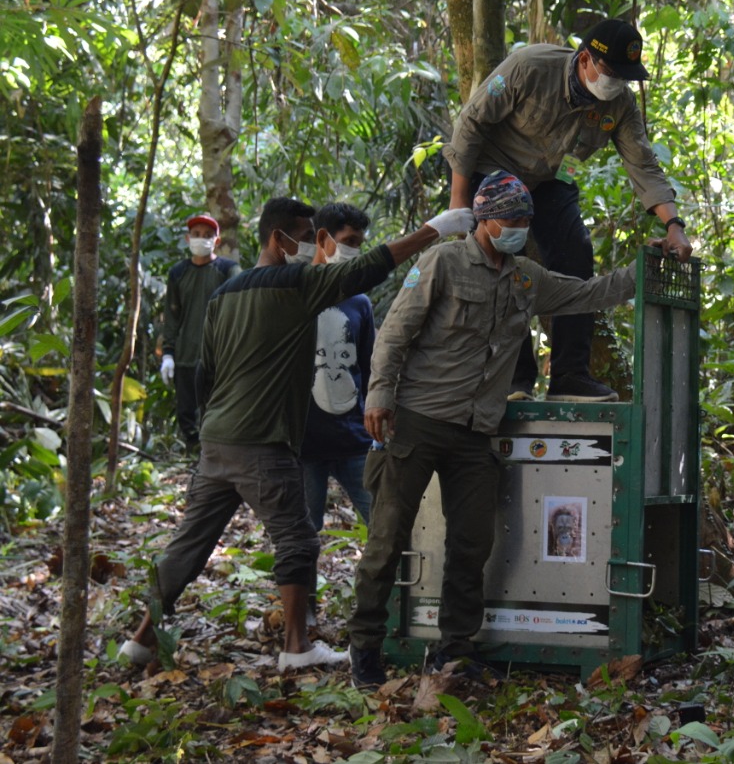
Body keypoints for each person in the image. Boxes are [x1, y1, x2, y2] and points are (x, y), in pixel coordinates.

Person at [121, 197, 474, 673]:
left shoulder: (226, 293)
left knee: (190, 543)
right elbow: (364, 271)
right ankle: (295, 646)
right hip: (263, 442)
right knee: (299, 541)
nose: (313, 246)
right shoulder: (297, 284)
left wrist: (213, 424)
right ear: (278, 240)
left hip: (217, 442)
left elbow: (205, 372)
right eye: (307, 238)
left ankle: (140, 640)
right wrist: (435, 228)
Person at [348, 171, 643, 690]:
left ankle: (453, 651)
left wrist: (641, 272)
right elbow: (396, 330)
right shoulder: (442, 261)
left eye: (525, 221)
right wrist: (378, 394)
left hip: (475, 431)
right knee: (388, 537)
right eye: (510, 220)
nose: (518, 229)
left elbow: (584, 294)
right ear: (484, 220)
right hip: (418, 419)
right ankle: (365, 649)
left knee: (472, 542)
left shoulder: (525, 277)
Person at [444, 18, 693, 403]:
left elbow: (642, 164)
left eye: (623, 77)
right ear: (585, 60)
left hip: (550, 178)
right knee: (496, 261)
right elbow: (471, 123)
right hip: (490, 170)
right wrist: (460, 202)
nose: (615, 83)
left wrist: (674, 224)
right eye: (610, 72)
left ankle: (570, 376)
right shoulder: (529, 66)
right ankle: (514, 380)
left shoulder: (620, 104)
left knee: (575, 253)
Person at [300, 203, 376, 533]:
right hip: (304, 445)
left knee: (386, 525)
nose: (354, 250)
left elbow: (370, 368)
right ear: (323, 238)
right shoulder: (293, 293)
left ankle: (386, 586)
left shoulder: (359, 302)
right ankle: (305, 588)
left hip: (353, 440)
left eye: (359, 243)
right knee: (303, 534)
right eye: (349, 241)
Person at [160, 214, 240, 447]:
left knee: (218, 410)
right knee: (187, 413)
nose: (201, 239)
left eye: (207, 235)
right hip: (186, 355)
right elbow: (172, 317)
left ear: (216, 241)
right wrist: (168, 354)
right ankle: (196, 457)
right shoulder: (178, 273)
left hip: (219, 356)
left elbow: (237, 312)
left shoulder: (229, 270)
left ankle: (217, 457)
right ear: (187, 239)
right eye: (196, 235)